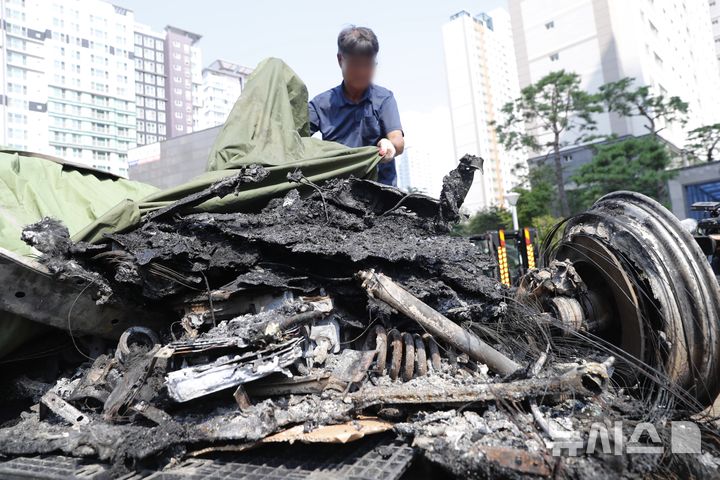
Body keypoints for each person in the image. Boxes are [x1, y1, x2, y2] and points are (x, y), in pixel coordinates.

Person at [309, 26, 404, 186]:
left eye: (368, 65)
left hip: (381, 195)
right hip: (336, 194)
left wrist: (389, 146)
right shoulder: (321, 105)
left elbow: (397, 140)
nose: (362, 72)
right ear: (340, 60)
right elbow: (293, 139)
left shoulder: (383, 99)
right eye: (356, 65)